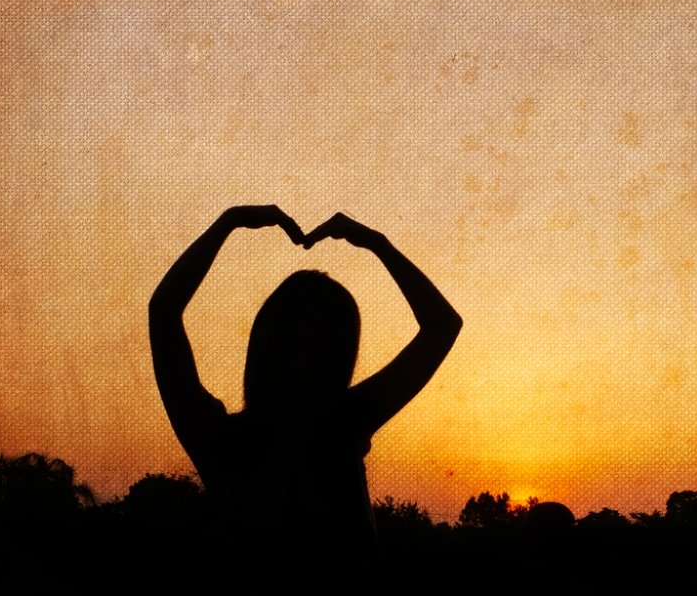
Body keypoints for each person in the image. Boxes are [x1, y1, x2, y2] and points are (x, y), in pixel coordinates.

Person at [148, 206, 462, 565]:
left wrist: (229, 222)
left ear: (262, 344)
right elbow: (441, 325)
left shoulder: (220, 441)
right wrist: (378, 244)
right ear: (341, 355)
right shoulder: (345, 426)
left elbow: (163, 311)